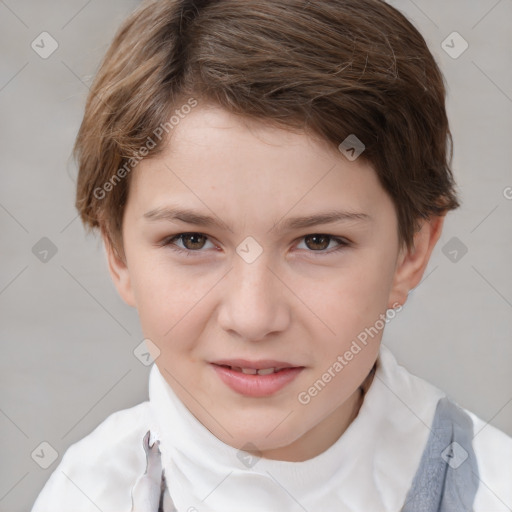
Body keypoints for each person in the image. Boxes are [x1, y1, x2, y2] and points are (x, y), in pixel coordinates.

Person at [31, 0, 512, 510]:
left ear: (411, 251)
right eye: (192, 240)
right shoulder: (84, 493)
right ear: (118, 254)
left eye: (318, 242)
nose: (254, 317)